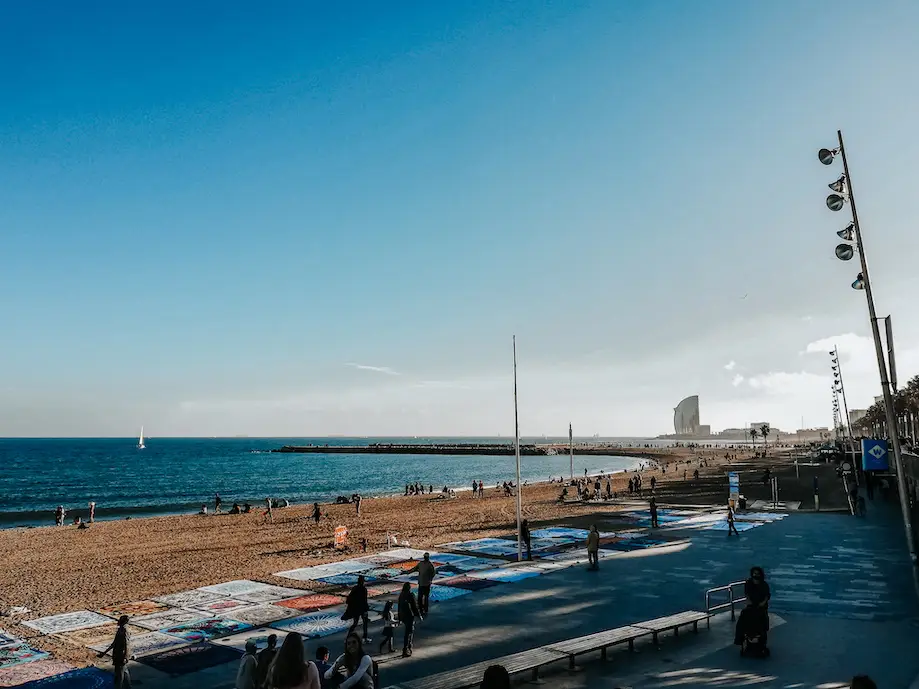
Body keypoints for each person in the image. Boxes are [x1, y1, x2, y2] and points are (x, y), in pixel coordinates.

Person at [734, 566, 770, 648]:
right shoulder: (749, 583)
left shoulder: (764, 584)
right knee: (743, 617)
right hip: (751, 606)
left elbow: (767, 596)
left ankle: (761, 641)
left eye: (757, 574)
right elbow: (747, 593)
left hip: (761, 607)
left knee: (761, 619)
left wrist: (763, 603)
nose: (756, 575)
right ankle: (739, 639)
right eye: (754, 573)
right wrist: (749, 601)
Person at [97, 615, 132, 688]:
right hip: (118, 655)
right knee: (124, 672)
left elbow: (127, 644)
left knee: (119, 676)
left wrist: (125, 657)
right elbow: (114, 643)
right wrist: (104, 653)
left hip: (120, 656)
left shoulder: (124, 630)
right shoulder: (121, 629)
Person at [342, 576, 371, 643]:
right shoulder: (364, 589)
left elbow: (349, 598)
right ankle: (365, 638)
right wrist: (366, 609)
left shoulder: (355, 588)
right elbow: (364, 600)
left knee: (355, 623)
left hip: (355, 609)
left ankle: (347, 638)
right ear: (363, 582)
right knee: (365, 623)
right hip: (362, 609)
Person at [398, 582, 422, 657]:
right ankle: (407, 647)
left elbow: (399, 606)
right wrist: (419, 615)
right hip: (409, 615)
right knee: (409, 632)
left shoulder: (401, 595)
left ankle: (407, 647)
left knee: (407, 632)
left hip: (403, 616)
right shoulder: (411, 595)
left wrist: (399, 617)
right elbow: (414, 606)